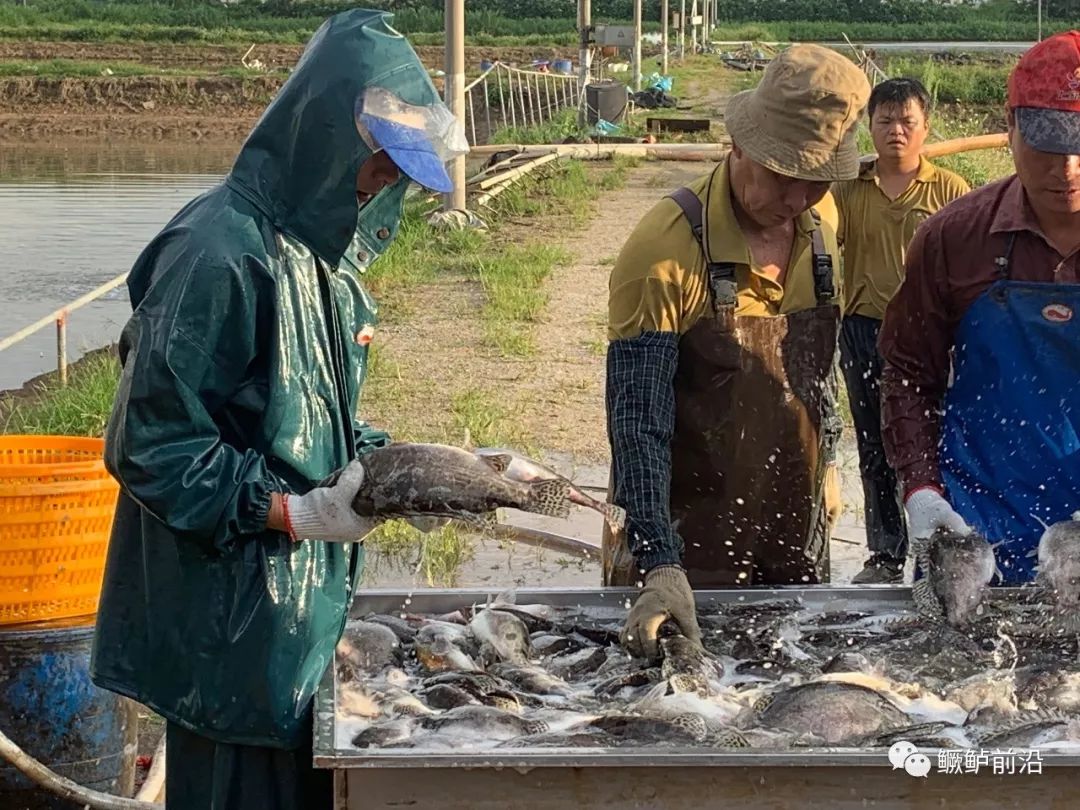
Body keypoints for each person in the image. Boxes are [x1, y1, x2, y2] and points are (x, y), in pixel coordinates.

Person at [89, 10, 466, 808]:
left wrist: (393, 473)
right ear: (323, 137)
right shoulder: (217, 254)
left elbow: (312, 411)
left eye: (398, 174)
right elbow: (152, 446)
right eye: (378, 167)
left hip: (289, 620)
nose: (384, 187)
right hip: (225, 626)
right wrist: (288, 512)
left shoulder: (321, 255)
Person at [604, 45, 870, 658]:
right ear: (741, 145)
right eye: (785, 176)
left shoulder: (822, 219)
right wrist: (657, 562)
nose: (799, 199)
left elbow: (815, 380)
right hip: (685, 534)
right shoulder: (665, 250)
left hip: (791, 528)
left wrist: (826, 463)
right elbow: (636, 423)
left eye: (816, 181)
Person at [880, 31, 1080, 584]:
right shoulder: (953, 239)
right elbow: (907, 375)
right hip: (975, 537)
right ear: (1009, 127)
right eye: (1048, 140)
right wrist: (922, 493)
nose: (1066, 168)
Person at [832, 78, 970, 584]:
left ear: (925, 128)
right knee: (874, 444)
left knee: (932, 443)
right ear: (868, 128)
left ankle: (935, 553)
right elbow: (823, 247)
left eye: (907, 121)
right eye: (885, 121)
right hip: (864, 329)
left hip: (930, 337)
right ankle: (885, 555)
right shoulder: (849, 189)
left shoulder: (950, 191)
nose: (896, 131)